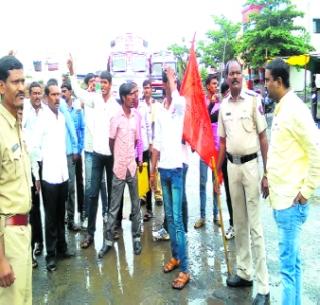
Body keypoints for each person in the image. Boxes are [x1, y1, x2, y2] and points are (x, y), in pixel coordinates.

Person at [264, 58, 320, 305]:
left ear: (278, 81)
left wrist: (307, 190)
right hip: (282, 199)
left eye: (267, 80)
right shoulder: (282, 108)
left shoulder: (296, 110)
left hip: (291, 202)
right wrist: (267, 177)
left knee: (287, 269)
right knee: (294, 265)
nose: (264, 85)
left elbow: (316, 150)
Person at [214, 59, 270, 305]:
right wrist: (217, 173)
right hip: (231, 168)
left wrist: (267, 173)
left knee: (255, 226)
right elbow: (222, 143)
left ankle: (264, 288)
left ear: (243, 75)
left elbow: (263, 137)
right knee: (239, 223)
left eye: (238, 72)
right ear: (226, 78)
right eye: (231, 74)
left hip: (250, 166)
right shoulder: (223, 105)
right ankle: (244, 273)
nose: (234, 77)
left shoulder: (254, 100)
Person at [67, 57, 120, 248]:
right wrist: (73, 72)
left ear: (110, 85)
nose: (102, 86)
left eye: (105, 82)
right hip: (97, 154)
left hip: (112, 156)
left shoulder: (116, 106)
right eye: (100, 83)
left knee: (114, 194)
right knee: (92, 193)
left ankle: (113, 229)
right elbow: (79, 92)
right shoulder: (95, 100)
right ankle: (90, 234)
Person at [150, 67, 190, 289]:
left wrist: (174, 80)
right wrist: (153, 171)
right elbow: (156, 143)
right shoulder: (161, 110)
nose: (167, 85)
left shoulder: (178, 106)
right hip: (163, 170)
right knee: (170, 217)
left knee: (176, 222)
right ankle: (175, 257)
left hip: (176, 170)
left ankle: (185, 270)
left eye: (170, 82)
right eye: (166, 82)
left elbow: (180, 101)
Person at [0, 55, 32, 305]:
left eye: (23, 81)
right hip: (8, 237)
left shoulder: (15, 124)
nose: (22, 87)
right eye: (15, 82)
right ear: (1, 87)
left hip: (23, 231)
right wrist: (0, 259)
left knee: (23, 300)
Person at [33, 82, 75, 272]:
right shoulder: (42, 118)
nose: (57, 98)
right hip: (49, 175)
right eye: (53, 95)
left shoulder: (61, 117)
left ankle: (62, 248)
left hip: (62, 174)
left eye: (59, 94)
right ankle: (50, 255)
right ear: (46, 97)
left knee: (61, 215)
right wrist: (36, 175)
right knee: (50, 217)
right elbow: (34, 148)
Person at [98, 81, 142, 258]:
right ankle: (107, 242)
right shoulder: (115, 117)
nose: (135, 97)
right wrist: (118, 158)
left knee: (136, 205)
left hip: (132, 167)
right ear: (124, 97)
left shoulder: (136, 117)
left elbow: (137, 140)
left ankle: (137, 238)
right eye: (132, 94)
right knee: (113, 207)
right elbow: (111, 141)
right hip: (118, 168)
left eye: (136, 93)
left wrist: (134, 159)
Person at [22, 82, 45, 267]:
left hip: (47, 161)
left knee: (51, 202)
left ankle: (42, 242)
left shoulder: (46, 111)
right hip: (31, 162)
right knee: (33, 206)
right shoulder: (24, 112)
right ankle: (35, 244)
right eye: (34, 93)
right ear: (29, 95)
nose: (37, 96)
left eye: (39, 93)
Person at [194, 74, 220, 229]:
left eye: (217, 83)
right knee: (202, 183)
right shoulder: (203, 102)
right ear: (207, 86)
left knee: (215, 183)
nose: (216, 86)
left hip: (217, 149)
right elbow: (203, 120)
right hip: (204, 148)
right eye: (213, 84)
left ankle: (216, 215)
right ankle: (203, 216)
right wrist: (210, 105)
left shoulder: (221, 103)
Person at [61, 82, 85, 231]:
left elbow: (80, 130)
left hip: (73, 153)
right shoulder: (58, 110)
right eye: (59, 92)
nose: (62, 94)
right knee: (62, 186)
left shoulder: (76, 111)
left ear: (70, 92)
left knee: (74, 186)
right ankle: (64, 216)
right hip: (60, 154)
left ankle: (75, 215)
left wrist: (78, 149)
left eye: (64, 91)